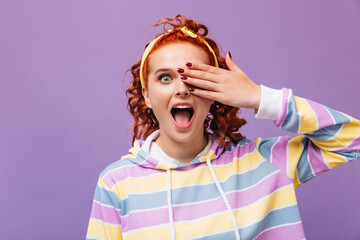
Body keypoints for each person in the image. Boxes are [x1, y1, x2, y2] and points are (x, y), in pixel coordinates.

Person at [86, 14, 360, 240]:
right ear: (146, 95)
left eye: (195, 78)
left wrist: (260, 97)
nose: (182, 89)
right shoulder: (117, 184)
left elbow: (352, 139)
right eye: (166, 78)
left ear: (215, 92)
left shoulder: (264, 163)